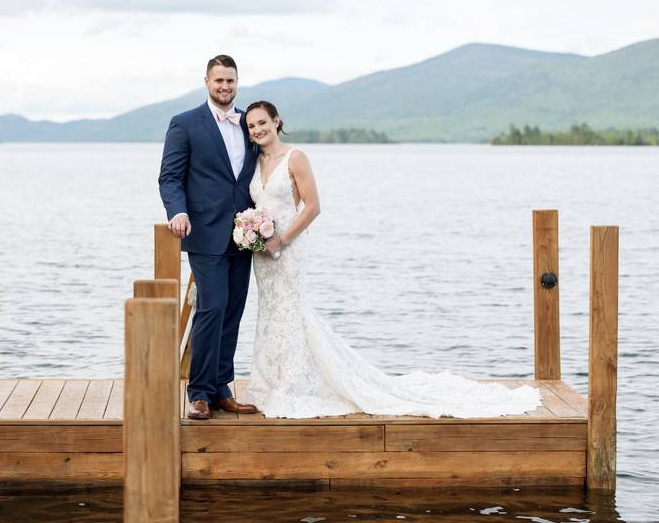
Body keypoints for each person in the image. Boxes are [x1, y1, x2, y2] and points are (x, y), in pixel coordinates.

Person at [242, 100, 543, 418]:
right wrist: (254, 234)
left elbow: (313, 206)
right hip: (263, 253)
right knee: (271, 313)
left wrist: (283, 239)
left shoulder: (296, 158)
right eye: (251, 126)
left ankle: (293, 385)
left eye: (263, 122)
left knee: (292, 312)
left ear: (277, 121)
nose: (258, 129)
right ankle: (271, 382)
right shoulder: (256, 161)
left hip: (288, 249)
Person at [158, 54, 260, 420]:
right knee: (211, 307)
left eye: (230, 81)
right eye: (218, 81)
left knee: (232, 312)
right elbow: (169, 177)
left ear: (237, 82)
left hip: (246, 236)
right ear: (206, 82)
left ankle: (221, 389)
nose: (224, 87)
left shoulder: (249, 122)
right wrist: (178, 212)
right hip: (204, 232)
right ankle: (198, 392)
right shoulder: (185, 124)